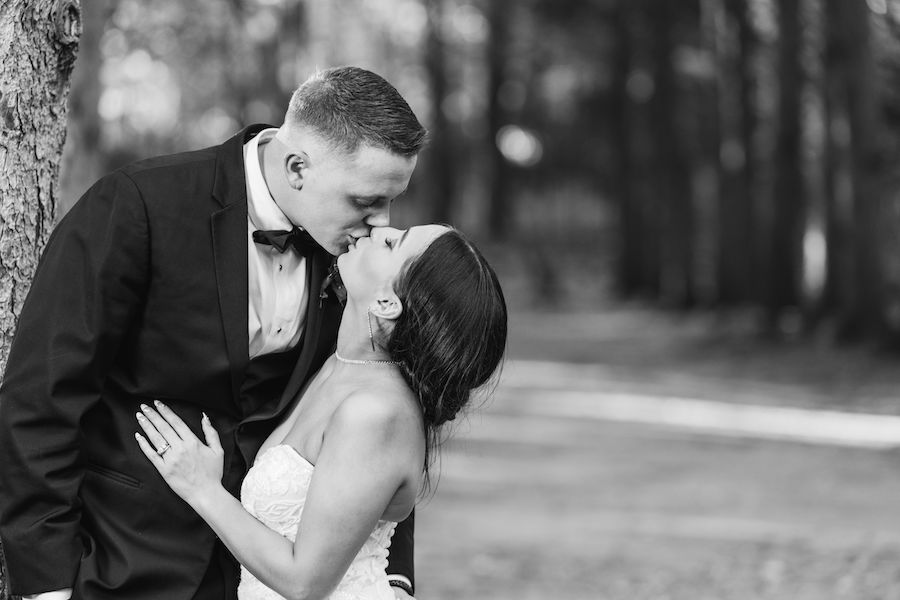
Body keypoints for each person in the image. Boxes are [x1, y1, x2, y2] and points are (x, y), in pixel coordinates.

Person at [0, 66, 426, 600]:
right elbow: (41, 400)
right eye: (365, 202)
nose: (381, 223)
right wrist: (48, 584)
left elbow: (380, 408)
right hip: (121, 564)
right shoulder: (138, 207)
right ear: (297, 168)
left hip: (267, 573)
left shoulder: (359, 263)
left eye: (390, 201)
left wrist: (392, 575)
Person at [133, 224, 507, 600]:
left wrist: (203, 490)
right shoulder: (339, 363)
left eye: (393, 242)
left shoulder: (376, 414)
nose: (380, 230)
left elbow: (305, 582)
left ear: (386, 303)